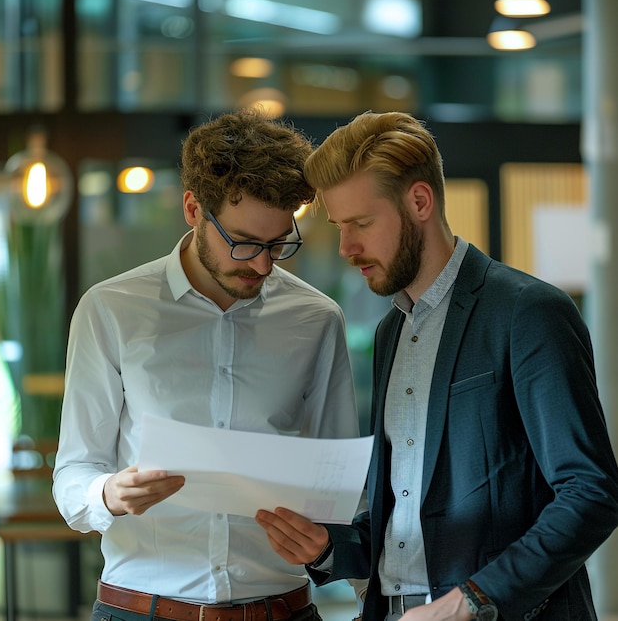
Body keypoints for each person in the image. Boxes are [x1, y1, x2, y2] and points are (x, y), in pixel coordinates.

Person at [255, 110, 618, 621]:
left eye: (360, 224)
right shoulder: (390, 332)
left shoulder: (527, 312)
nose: (346, 248)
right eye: (339, 227)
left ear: (419, 201)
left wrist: (471, 601)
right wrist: (328, 548)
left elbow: (591, 493)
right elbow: (410, 512)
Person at [52, 108, 362, 621]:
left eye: (278, 243)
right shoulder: (112, 309)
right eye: (244, 242)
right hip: (141, 608)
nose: (261, 264)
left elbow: (336, 490)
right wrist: (107, 492)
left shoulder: (316, 319)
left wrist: (328, 536)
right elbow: (73, 475)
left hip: (280, 611)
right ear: (194, 209)